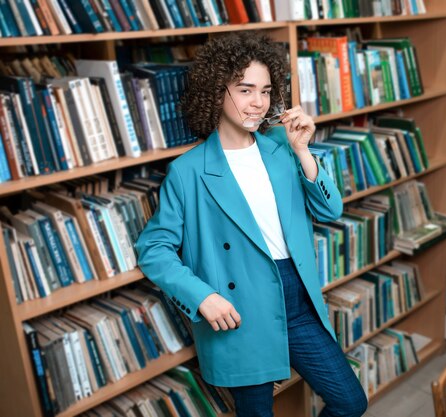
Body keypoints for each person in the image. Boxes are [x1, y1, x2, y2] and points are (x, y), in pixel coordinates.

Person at [135, 32, 368, 417]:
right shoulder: (188, 171)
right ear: (216, 91)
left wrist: (303, 151)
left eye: (265, 90)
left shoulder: (281, 146)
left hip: (297, 295)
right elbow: (154, 249)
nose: (258, 102)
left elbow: (330, 211)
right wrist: (201, 296)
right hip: (239, 306)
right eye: (245, 90)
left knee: (350, 402)